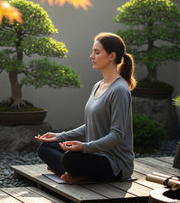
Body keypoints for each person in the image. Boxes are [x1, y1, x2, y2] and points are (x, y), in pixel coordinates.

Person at [35, 32, 136, 184]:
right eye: (92, 52)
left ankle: (71, 172)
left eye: (97, 52)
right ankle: (73, 174)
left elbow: (117, 135)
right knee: (46, 148)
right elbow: (89, 126)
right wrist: (58, 136)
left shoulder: (119, 90)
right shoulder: (98, 85)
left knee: (71, 158)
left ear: (112, 56)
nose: (91, 56)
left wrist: (84, 147)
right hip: (93, 154)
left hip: (115, 164)